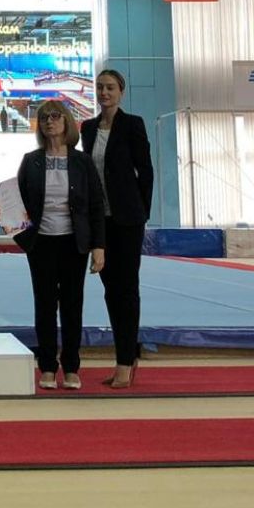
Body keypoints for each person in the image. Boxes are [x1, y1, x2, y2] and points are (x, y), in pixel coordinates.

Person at [0, 99, 104, 390]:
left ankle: (71, 367)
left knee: (72, 305)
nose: (49, 121)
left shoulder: (82, 162)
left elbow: (96, 205)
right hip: (41, 243)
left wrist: (98, 246)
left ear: (66, 121)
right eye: (44, 117)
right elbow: (17, 203)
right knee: (44, 305)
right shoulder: (31, 160)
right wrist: (0, 214)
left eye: (55, 116)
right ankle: (46, 366)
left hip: (74, 243)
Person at [81, 69, 154, 389]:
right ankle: (124, 355)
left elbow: (146, 172)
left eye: (110, 88)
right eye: (100, 87)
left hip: (127, 220)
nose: (104, 93)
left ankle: (125, 360)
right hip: (101, 221)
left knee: (127, 289)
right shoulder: (88, 128)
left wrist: (141, 212)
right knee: (111, 290)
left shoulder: (132, 124)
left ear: (121, 91)